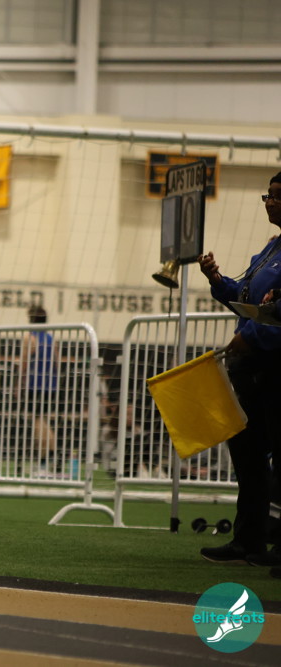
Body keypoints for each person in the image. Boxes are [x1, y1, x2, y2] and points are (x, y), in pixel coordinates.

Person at [197, 172, 281, 567]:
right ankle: (249, 541)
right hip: (252, 368)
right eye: (268, 195)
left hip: (275, 365)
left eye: (277, 196)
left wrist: (251, 337)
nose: (270, 202)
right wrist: (217, 279)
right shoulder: (270, 248)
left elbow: (274, 313)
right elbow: (246, 297)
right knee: (248, 456)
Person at [20, 305, 58, 477]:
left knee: (37, 422)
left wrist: (19, 385)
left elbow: (24, 364)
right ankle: (47, 457)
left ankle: (46, 459)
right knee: (43, 421)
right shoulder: (51, 339)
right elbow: (57, 363)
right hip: (50, 387)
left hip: (34, 386)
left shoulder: (30, 337)